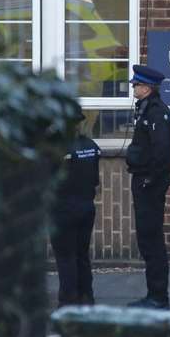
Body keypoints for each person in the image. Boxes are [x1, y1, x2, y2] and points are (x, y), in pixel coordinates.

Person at [125, 63, 170, 309]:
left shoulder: (156, 112)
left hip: (149, 183)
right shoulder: (147, 109)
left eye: (137, 84)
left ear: (147, 87)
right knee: (147, 239)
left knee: (151, 239)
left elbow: (162, 151)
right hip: (145, 180)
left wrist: (150, 180)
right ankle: (154, 294)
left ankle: (158, 297)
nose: (134, 87)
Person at [50, 128, 101, 305]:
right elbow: (95, 180)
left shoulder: (57, 147)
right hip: (86, 207)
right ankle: (87, 299)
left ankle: (68, 303)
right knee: (81, 255)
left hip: (63, 209)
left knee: (66, 258)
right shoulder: (91, 145)